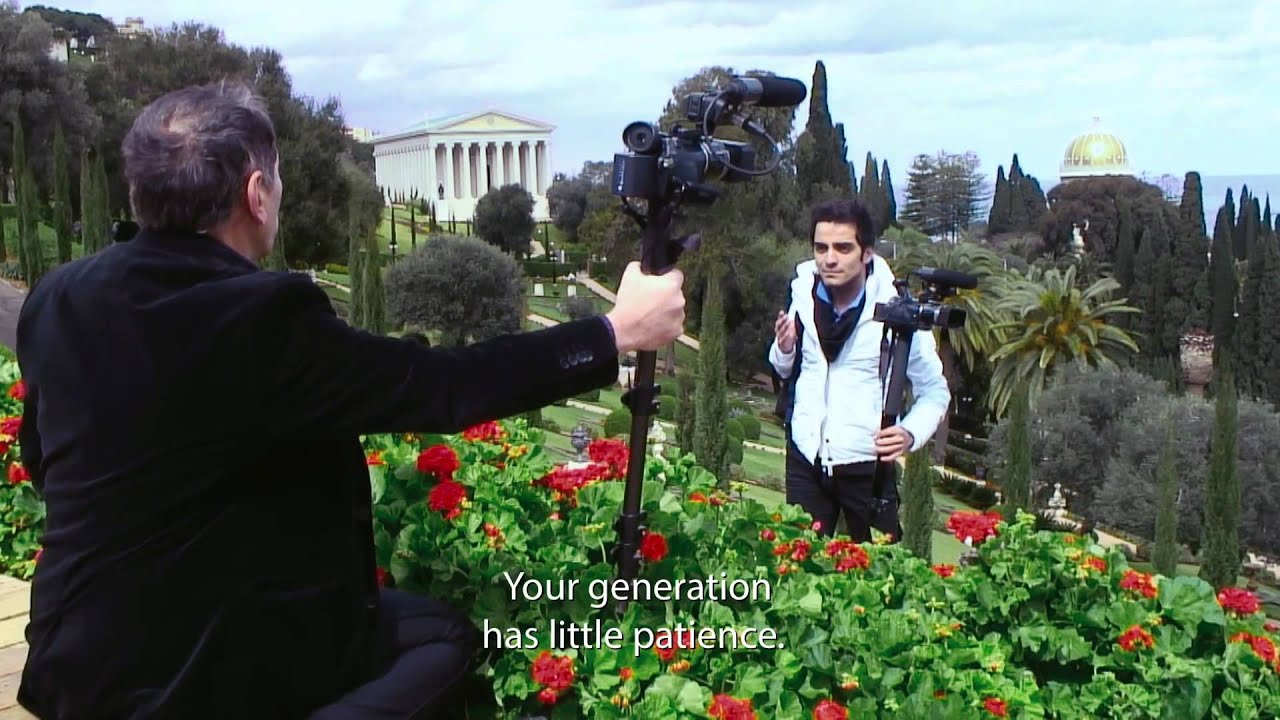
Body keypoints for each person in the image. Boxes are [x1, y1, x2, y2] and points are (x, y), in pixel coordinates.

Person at [14, 80, 686, 720]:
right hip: (192, 682)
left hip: (73, 660)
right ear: (257, 194)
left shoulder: (59, 296)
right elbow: (443, 387)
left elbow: (46, 465)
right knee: (442, 639)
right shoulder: (260, 316)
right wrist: (615, 332)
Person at [768, 198, 949, 542]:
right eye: (821, 248)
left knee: (876, 579)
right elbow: (783, 367)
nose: (829, 258)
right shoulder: (804, 293)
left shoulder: (898, 309)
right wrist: (785, 347)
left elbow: (935, 391)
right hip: (806, 456)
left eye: (843, 248)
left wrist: (910, 432)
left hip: (866, 466)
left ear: (866, 253)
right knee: (797, 568)